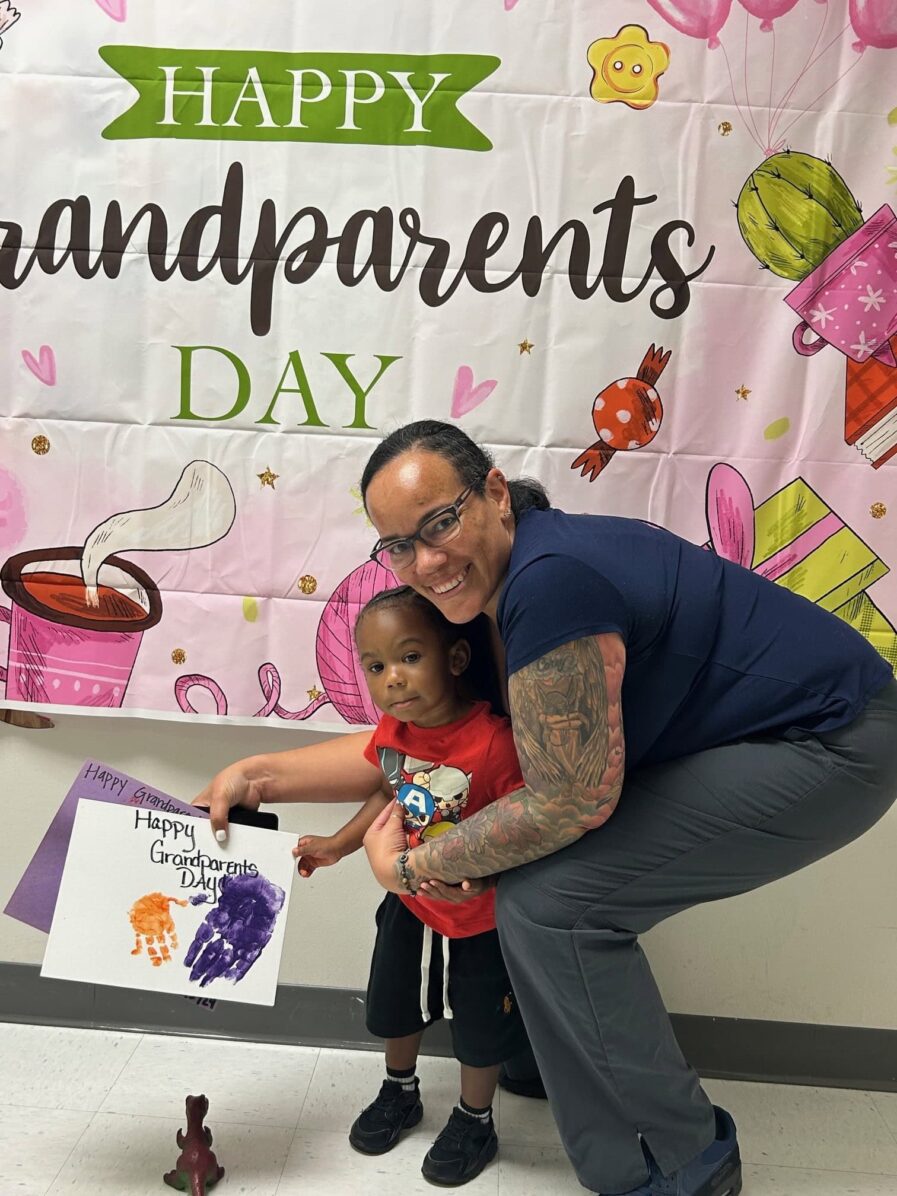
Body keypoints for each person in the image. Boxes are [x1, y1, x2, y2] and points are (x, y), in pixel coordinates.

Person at [200, 420, 897, 1196]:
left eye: (440, 521)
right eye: (397, 544)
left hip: (833, 742)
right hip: (787, 733)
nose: (425, 562)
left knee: (551, 903)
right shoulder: (488, 605)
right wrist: (255, 773)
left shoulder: (549, 583)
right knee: (535, 881)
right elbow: (411, 738)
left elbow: (568, 799)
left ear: (495, 492)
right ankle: (547, 1057)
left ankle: (680, 1161)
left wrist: (410, 866)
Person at [243, 584, 531, 1185]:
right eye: (376, 666)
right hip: (411, 905)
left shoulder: (496, 741)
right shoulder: (393, 735)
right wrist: (337, 846)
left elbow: (525, 823)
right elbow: (385, 793)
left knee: (479, 1021)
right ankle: (400, 1090)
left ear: (453, 659)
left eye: (409, 657)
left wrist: (487, 872)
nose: (392, 679)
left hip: (482, 918)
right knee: (396, 999)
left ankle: (475, 1118)